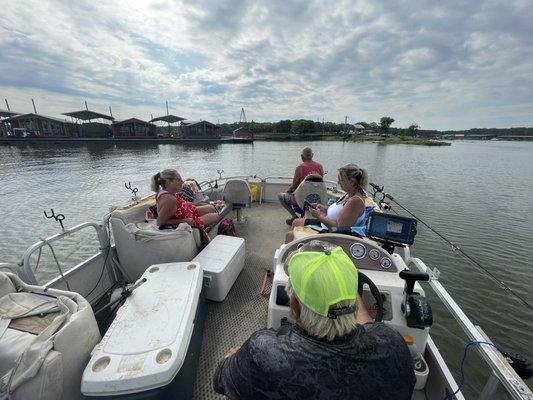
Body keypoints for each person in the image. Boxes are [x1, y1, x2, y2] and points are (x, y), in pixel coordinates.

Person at [213, 241, 415, 400]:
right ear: (353, 299)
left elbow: (219, 381)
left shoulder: (262, 352)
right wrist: (346, 290)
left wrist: (234, 358)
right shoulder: (393, 345)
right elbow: (369, 327)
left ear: (294, 305)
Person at [285, 163, 376, 243]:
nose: (338, 182)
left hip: (332, 234)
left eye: (341, 179)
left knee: (290, 235)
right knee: (296, 222)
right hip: (326, 225)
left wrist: (319, 216)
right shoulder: (349, 194)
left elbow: (339, 229)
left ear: (352, 182)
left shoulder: (355, 201)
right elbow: (341, 213)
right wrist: (323, 208)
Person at [150, 169, 220, 229]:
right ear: (169, 182)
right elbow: (159, 222)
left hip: (190, 212)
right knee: (216, 216)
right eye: (179, 179)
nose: (182, 182)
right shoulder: (169, 199)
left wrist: (199, 204)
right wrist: (185, 221)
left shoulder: (170, 192)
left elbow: (182, 204)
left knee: (211, 208)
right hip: (189, 221)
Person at [278, 147, 324, 225]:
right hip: (317, 200)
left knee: (280, 195)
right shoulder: (320, 166)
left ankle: (294, 216)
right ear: (312, 155)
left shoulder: (299, 168)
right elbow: (321, 183)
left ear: (302, 156)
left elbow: (294, 187)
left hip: (301, 201)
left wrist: (287, 192)